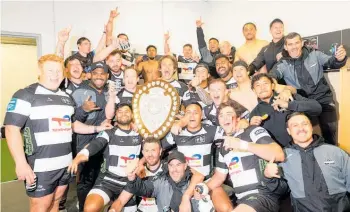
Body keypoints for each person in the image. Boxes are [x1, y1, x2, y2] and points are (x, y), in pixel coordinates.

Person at [3, 54, 111, 212]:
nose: (55, 74)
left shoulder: (66, 98)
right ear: (40, 71)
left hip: (65, 163)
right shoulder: (25, 94)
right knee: (41, 206)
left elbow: (73, 125)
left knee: (56, 202)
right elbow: (11, 129)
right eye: (50, 70)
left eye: (58, 71)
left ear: (64, 72)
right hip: (40, 166)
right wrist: (21, 163)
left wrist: (97, 129)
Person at [195, 100, 287, 212]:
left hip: (263, 194)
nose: (225, 118)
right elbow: (219, 177)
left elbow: (279, 154)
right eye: (221, 116)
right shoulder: (223, 146)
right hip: (242, 200)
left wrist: (242, 144)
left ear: (238, 118)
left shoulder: (252, 131)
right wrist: (204, 187)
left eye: (229, 115)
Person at [270, 32, 348, 145]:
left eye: (297, 43)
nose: (294, 47)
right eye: (290, 44)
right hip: (304, 105)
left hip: (325, 102)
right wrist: (284, 89)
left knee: (330, 137)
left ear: (302, 43)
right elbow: (271, 77)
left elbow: (332, 62)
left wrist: (340, 59)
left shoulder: (315, 55)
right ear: (286, 47)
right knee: (308, 139)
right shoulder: (283, 63)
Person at [264, 112, 350, 212]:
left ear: (311, 127)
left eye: (305, 124)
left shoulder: (336, 152)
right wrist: (269, 177)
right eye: (295, 125)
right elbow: (281, 191)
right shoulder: (283, 157)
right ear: (289, 131)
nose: (301, 128)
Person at [68, 103, 142, 212]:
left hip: (129, 183)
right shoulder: (108, 133)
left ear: (132, 115)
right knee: (90, 208)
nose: (123, 114)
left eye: (126, 111)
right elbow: (96, 144)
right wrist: (79, 156)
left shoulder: (140, 134)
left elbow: (154, 149)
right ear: (115, 116)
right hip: (108, 180)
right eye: (120, 112)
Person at [163, 102, 234, 212]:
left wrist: (243, 122)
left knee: (226, 208)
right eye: (188, 113)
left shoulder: (211, 130)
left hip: (207, 181)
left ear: (201, 116)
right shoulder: (176, 133)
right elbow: (157, 148)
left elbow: (233, 130)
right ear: (184, 117)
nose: (191, 116)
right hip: (184, 182)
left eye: (195, 113)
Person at [71, 61, 116, 211]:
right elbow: (71, 123)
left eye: (102, 73)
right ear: (90, 75)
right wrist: (83, 109)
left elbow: (112, 118)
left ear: (107, 76)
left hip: (104, 146)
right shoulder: (79, 92)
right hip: (85, 145)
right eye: (95, 73)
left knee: (102, 183)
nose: (98, 76)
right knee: (85, 183)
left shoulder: (109, 93)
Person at [249, 73, 322, 147]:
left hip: (303, 148)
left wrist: (288, 105)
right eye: (258, 85)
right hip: (279, 154)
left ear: (273, 86)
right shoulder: (254, 114)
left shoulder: (287, 96)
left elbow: (317, 108)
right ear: (254, 90)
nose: (262, 87)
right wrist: (252, 127)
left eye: (265, 83)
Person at [123, 150, 208, 212]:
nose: (174, 169)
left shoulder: (194, 184)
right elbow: (142, 188)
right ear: (168, 167)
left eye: (178, 165)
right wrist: (132, 177)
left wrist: (193, 200)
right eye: (171, 165)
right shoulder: (161, 182)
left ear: (185, 166)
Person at [108, 137, 165, 212]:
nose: (150, 154)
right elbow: (121, 200)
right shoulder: (137, 173)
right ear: (143, 152)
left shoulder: (169, 169)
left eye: (153, 150)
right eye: (147, 151)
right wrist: (113, 210)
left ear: (160, 151)